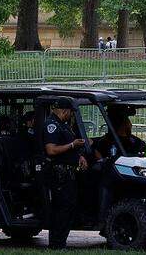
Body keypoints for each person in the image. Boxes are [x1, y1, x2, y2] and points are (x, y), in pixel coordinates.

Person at [42, 100, 88, 249]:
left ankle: (60, 242)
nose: (70, 115)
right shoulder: (52, 125)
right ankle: (56, 244)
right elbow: (51, 150)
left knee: (69, 208)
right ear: (65, 111)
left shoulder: (63, 125)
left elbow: (69, 147)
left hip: (69, 173)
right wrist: (73, 145)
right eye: (70, 112)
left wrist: (79, 156)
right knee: (61, 209)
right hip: (59, 174)